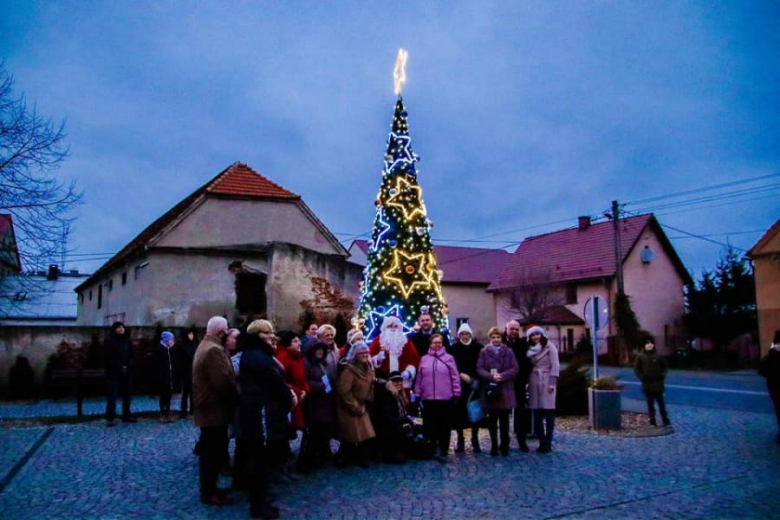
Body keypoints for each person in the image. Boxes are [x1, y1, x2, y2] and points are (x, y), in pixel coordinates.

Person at [238, 319, 292, 519]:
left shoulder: (257, 354)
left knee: (261, 459)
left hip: (261, 411)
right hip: (259, 413)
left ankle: (262, 497)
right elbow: (273, 381)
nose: (272, 336)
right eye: (268, 333)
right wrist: (287, 397)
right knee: (258, 460)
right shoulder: (256, 356)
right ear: (259, 335)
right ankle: (258, 503)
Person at [192, 316, 238, 506]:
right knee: (211, 454)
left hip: (209, 407)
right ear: (221, 331)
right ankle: (209, 492)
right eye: (226, 330)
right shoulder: (213, 350)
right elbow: (222, 382)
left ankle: (211, 488)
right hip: (214, 409)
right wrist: (237, 399)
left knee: (212, 451)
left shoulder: (205, 345)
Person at [414, 333, 461, 461]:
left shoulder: (449, 358)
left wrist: (457, 392)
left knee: (444, 425)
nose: (437, 344)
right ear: (430, 344)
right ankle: (432, 446)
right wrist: (417, 393)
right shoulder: (424, 359)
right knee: (430, 425)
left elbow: (455, 377)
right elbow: (419, 377)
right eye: (435, 342)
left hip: (445, 398)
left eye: (439, 342)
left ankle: (444, 448)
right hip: (428, 398)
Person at [477, 327, 519, 457]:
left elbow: (515, 368)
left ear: (502, 338)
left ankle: (504, 445)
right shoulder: (484, 352)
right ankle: (494, 445)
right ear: (490, 339)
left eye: (498, 337)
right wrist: (491, 376)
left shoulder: (509, 351)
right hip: (491, 390)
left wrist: (503, 375)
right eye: (493, 337)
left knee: (505, 421)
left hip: (505, 389)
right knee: (492, 421)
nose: (496, 339)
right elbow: (480, 368)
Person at [335, 341, 376, 468]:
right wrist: (355, 406)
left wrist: (367, 402)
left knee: (364, 435)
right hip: (349, 407)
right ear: (355, 355)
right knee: (350, 436)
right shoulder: (348, 371)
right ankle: (344, 459)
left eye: (366, 352)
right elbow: (343, 391)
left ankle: (360, 458)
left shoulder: (368, 368)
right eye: (361, 353)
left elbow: (371, 386)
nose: (364, 355)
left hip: (363, 405)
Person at [298, 341, 337, 473]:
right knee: (313, 433)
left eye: (322, 350)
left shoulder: (323, 363)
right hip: (315, 402)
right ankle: (307, 461)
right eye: (317, 350)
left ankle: (321, 456)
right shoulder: (307, 363)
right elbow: (304, 381)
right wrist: (319, 386)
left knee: (323, 431)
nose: (320, 352)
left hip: (326, 400)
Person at [449, 323, 484, 453]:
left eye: (466, 334)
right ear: (459, 336)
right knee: (459, 414)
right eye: (462, 334)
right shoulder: (453, 349)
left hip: (475, 385)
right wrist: (460, 374)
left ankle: (475, 439)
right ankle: (460, 439)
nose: (464, 336)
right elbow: (451, 365)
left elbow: (482, 364)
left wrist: (476, 378)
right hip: (459, 385)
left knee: (475, 413)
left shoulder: (478, 348)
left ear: (470, 334)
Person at [527, 326, 560, 453]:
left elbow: (555, 365)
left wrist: (552, 382)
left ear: (542, 335)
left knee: (549, 413)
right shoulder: (529, 350)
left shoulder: (550, 346)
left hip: (547, 381)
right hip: (534, 381)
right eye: (533, 335)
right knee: (537, 414)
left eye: (537, 334)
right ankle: (541, 441)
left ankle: (548, 441)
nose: (536, 337)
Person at [371, 371, 416, 464]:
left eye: (400, 380)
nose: (399, 383)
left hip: (399, 423)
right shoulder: (387, 397)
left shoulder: (400, 395)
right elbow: (387, 418)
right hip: (391, 429)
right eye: (395, 381)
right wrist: (406, 420)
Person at [503, 320, 532, 452]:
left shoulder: (523, 344)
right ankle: (504, 441)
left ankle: (521, 439)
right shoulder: (500, 342)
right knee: (503, 412)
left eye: (516, 329)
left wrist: (524, 380)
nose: (514, 331)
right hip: (503, 382)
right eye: (512, 329)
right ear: (506, 329)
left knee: (520, 411)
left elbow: (527, 364)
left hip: (519, 382)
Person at [369, 315, 420, 387]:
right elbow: (368, 358)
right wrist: (377, 359)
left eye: (396, 326)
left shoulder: (406, 342)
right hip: (383, 381)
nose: (393, 328)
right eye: (390, 326)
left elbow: (414, 359)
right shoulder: (377, 341)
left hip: (402, 381)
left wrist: (408, 372)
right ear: (385, 327)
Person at [275, 331, 309, 434]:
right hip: (291, 400)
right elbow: (282, 381)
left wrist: (305, 390)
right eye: (295, 341)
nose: (299, 343)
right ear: (287, 344)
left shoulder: (297, 356)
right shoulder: (283, 357)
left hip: (300, 397)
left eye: (299, 341)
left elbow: (303, 378)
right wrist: (298, 392)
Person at [634, 335, 671, 428]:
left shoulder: (658, 355)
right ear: (644, 345)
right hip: (647, 384)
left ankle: (665, 419)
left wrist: (662, 375)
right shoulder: (640, 356)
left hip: (658, 384)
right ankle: (652, 420)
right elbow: (636, 369)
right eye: (647, 343)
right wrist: (642, 378)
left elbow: (665, 367)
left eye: (651, 343)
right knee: (650, 404)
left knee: (661, 403)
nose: (650, 345)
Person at [103, 321, 136, 426]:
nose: (121, 329)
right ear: (114, 329)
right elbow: (107, 357)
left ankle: (126, 415)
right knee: (112, 395)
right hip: (113, 372)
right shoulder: (109, 341)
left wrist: (128, 364)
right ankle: (110, 417)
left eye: (122, 327)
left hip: (127, 371)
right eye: (119, 327)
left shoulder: (127, 340)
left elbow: (132, 354)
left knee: (127, 394)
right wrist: (119, 365)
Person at [759, 331, 780, 444]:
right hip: (775, 386)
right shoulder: (772, 355)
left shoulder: (772, 354)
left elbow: (762, 370)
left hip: (774, 385)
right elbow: (762, 370)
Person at [155, 331, 178, 423]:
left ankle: (168, 413)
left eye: (172, 339)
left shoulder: (172, 349)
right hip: (162, 377)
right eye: (170, 339)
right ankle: (162, 413)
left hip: (170, 376)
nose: (171, 341)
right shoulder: (160, 350)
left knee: (168, 396)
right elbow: (157, 364)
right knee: (163, 396)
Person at [177, 328, 198, 419]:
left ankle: (192, 410)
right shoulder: (183, 346)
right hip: (186, 372)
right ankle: (183, 411)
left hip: (193, 372)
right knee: (185, 393)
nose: (191, 336)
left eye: (192, 334)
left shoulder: (195, 345)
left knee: (193, 393)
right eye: (189, 334)